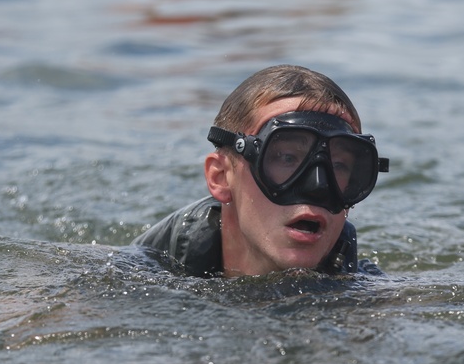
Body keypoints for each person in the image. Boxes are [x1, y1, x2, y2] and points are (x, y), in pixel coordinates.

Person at [132, 65, 388, 278]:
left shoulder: (368, 297)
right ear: (220, 177)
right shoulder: (133, 280)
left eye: (338, 165)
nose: (318, 186)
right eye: (287, 158)